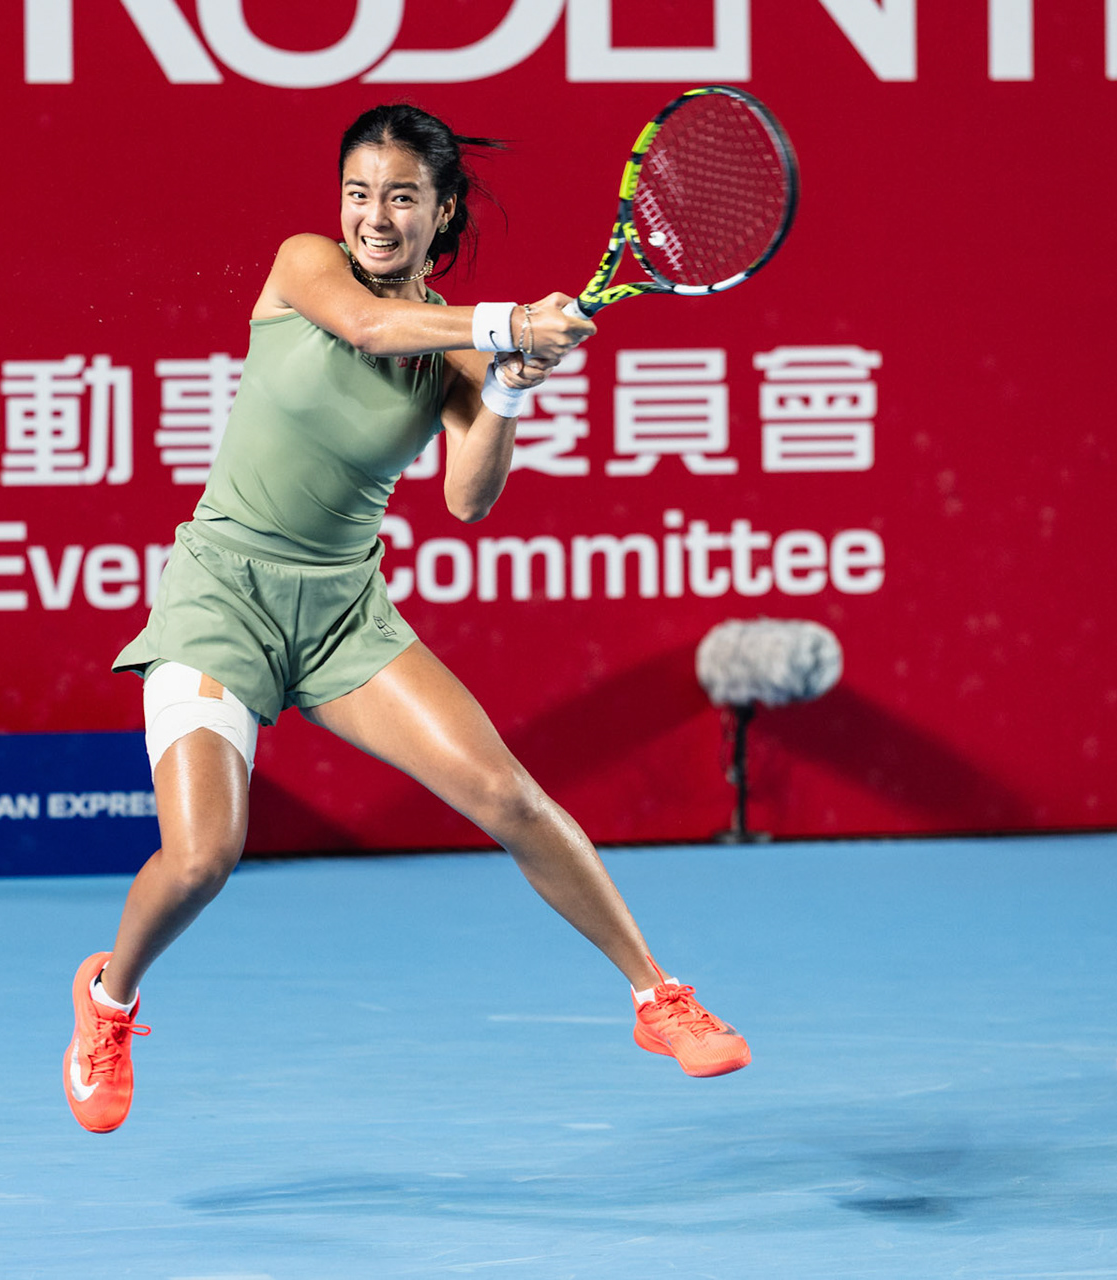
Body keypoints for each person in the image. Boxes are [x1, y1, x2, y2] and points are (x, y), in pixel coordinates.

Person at [65, 104, 749, 1134]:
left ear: (442, 210)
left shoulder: (460, 352)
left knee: (505, 795)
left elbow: (469, 499)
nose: (373, 217)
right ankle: (108, 997)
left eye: (400, 197)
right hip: (221, 597)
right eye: (358, 193)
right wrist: (509, 325)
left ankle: (658, 995)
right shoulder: (306, 269)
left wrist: (509, 387)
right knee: (205, 855)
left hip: (344, 613)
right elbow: (371, 326)